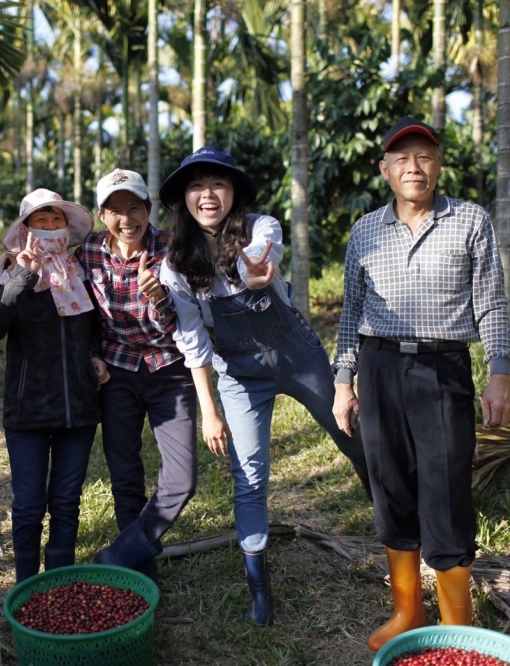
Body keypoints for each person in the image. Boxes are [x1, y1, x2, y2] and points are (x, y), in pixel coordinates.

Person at [157, 147, 371, 626]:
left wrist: (257, 268)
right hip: (239, 374)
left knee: (352, 432)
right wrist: (208, 410)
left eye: (218, 183)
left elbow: (264, 257)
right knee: (248, 478)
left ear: (233, 193)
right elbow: (191, 339)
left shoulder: (260, 227)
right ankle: (258, 584)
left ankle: (392, 516)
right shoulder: (175, 265)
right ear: (183, 199)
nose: (207, 194)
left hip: (298, 354)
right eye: (196, 185)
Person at [331, 117, 510, 651]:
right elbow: (351, 314)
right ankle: (407, 610)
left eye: (425, 156)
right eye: (402, 158)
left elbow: (492, 304)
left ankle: (457, 624)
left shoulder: (470, 222)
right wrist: (344, 380)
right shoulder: (365, 230)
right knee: (391, 487)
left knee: (447, 488)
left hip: (443, 371)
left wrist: (499, 374)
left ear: (438, 165)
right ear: (385, 169)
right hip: (380, 366)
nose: (415, 167)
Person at [0, 188, 107, 584]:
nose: (49, 228)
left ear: (67, 227)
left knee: (67, 503)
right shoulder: (12, 274)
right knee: (30, 506)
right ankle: (27, 585)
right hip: (27, 412)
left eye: (56, 221)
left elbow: (99, 327)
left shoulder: (82, 274)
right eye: (40, 222)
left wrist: (96, 356)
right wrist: (21, 277)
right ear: (26, 229)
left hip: (79, 409)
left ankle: (59, 584)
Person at [76, 169, 198, 583]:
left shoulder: (172, 250)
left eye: (134, 208)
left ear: (148, 210)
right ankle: (139, 570)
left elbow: (184, 325)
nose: (126, 219)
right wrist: (93, 355)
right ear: (101, 215)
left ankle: (123, 551)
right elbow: (77, 309)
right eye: (115, 210)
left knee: (181, 478)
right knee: (124, 472)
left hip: (169, 368)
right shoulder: (89, 251)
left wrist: (158, 296)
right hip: (117, 371)